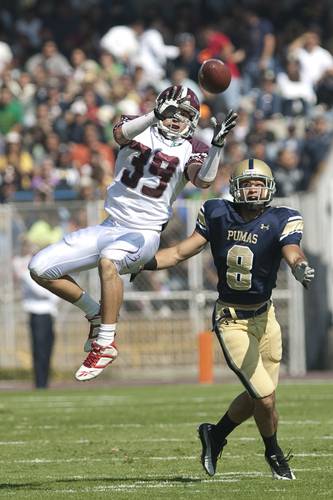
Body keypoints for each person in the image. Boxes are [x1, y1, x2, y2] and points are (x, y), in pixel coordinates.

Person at [28, 85, 237, 381]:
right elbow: (119, 135)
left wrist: (216, 148)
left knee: (109, 261)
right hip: (110, 226)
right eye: (173, 112)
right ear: (161, 108)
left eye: (185, 115)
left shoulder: (195, 146)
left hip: (144, 234)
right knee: (39, 268)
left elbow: (202, 181)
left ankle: (105, 343)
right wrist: (153, 115)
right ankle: (95, 313)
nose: (177, 119)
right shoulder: (138, 124)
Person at [135, 158, 315, 480]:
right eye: (246, 184)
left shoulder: (282, 218)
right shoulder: (218, 213)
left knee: (258, 396)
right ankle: (273, 452)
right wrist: (139, 263)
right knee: (266, 397)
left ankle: (214, 435)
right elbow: (178, 253)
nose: (253, 189)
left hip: (266, 317)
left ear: (269, 187)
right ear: (235, 188)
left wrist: (299, 266)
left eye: (258, 183)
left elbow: (293, 251)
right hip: (231, 319)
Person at [13, 239, 58, 389]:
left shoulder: (48, 272)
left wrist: (52, 291)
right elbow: (41, 291)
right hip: (37, 314)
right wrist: (52, 291)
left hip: (49, 313)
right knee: (39, 349)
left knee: (48, 348)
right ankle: (40, 383)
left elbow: (56, 293)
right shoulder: (27, 273)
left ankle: (45, 382)